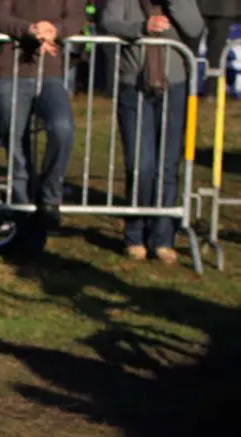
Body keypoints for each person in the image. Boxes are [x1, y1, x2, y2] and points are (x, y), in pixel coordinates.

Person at [100, 0, 203, 263]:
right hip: (133, 85)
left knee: (167, 166)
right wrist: (141, 27)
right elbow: (108, 22)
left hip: (175, 84)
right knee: (139, 165)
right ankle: (135, 235)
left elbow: (195, 28)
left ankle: (163, 239)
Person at [0, 0, 84, 245]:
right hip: (9, 72)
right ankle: (25, 224)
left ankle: (50, 196)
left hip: (50, 72)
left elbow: (76, 17)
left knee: (62, 128)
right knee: (17, 148)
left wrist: (54, 30)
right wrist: (31, 29)